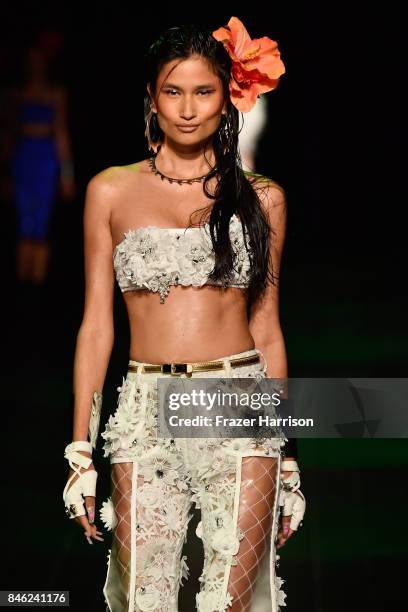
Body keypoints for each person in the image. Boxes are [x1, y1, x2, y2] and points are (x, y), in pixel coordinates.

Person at [62, 17, 306, 612]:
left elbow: (267, 325)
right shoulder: (111, 192)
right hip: (145, 409)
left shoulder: (262, 197)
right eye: (173, 91)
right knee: (146, 598)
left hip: (240, 402)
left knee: (231, 601)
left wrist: (291, 453)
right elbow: (98, 325)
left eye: (204, 92)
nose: (188, 109)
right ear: (151, 98)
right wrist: (79, 451)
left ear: (228, 99)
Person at [1, 31, 75, 285]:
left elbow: (61, 133)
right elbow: (8, 133)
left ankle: (38, 284)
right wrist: (5, 171)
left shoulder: (56, 93)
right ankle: (22, 283)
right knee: (23, 218)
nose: (34, 64)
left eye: (39, 59)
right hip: (23, 156)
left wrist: (67, 174)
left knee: (42, 217)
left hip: (46, 158)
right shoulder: (15, 94)